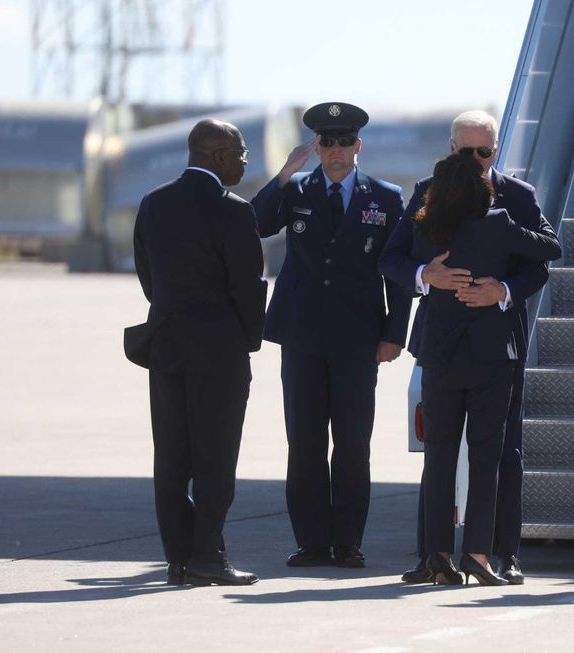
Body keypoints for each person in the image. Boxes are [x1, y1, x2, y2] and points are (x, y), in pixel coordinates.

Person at [379, 110, 555, 585]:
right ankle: (434, 555)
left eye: (486, 151)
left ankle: (503, 552)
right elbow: (391, 258)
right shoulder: (426, 192)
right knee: (438, 454)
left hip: (498, 340)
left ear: (496, 150)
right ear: (450, 148)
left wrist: (504, 290)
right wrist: (425, 276)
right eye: (466, 150)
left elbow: (541, 262)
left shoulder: (517, 196)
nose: (476, 159)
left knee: (501, 453)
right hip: (442, 341)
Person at [251, 102, 412, 569]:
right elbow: (258, 224)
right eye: (326, 142)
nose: (335, 151)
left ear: (358, 146)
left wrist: (393, 333)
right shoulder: (297, 188)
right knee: (303, 442)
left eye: (344, 142)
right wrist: (284, 173)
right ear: (315, 146)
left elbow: (396, 272)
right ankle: (312, 541)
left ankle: (347, 542)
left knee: (352, 442)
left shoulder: (385, 197)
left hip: (358, 338)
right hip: (302, 335)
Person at [131, 119, 267, 586]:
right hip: (219, 352)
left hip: (167, 348)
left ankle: (178, 558)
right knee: (215, 460)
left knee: (171, 459)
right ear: (217, 156)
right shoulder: (234, 211)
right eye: (241, 152)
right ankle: (207, 556)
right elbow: (248, 287)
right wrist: (248, 337)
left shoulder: (153, 204)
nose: (245, 161)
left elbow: (148, 276)